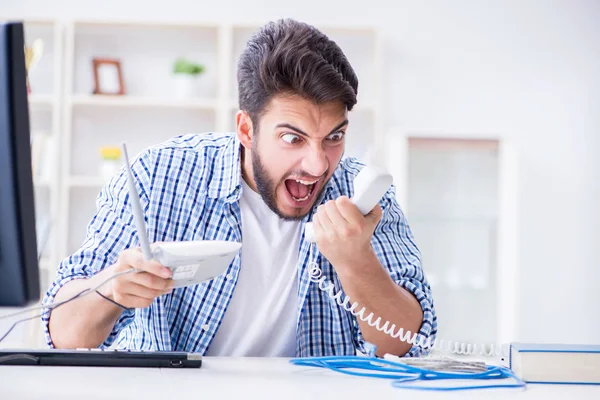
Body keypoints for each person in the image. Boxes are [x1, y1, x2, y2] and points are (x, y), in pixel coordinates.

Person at [42, 18, 437, 358]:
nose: (318, 165)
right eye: (292, 139)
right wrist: (109, 290)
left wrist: (355, 261)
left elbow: (407, 343)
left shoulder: (362, 194)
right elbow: (63, 333)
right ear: (247, 130)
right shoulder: (157, 176)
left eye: (334, 137)